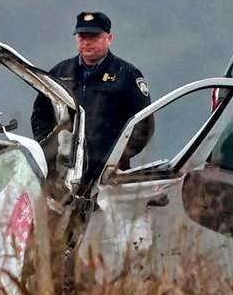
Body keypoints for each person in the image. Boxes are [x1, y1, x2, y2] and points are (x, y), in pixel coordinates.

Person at [31, 11, 151, 185]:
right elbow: (41, 115)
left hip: (109, 175)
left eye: (93, 37)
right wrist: (49, 149)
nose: (86, 42)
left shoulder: (127, 75)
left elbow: (143, 124)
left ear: (109, 38)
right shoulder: (60, 72)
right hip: (62, 173)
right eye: (82, 37)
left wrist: (117, 156)